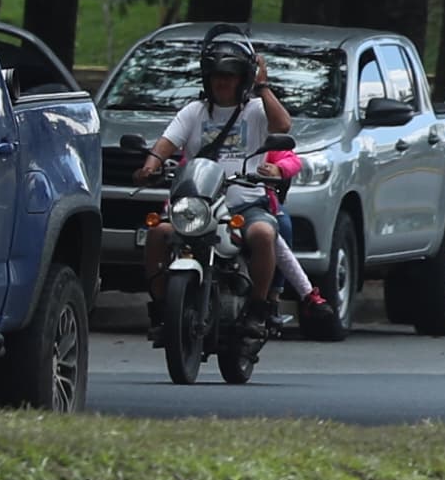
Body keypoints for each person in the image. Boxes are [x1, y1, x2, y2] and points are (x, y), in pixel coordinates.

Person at [142, 38, 347, 341]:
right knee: (157, 234)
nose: (222, 83)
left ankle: (258, 309)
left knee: (265, 234)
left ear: (244, 79)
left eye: (230, 76)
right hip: (198, 202)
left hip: (247, 204)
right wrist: (150, 165)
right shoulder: (193, 111)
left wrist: (263, 87)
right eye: (217, 76)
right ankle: (162, 309)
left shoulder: (256, 110)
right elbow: (166, 143)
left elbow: (283, 126)